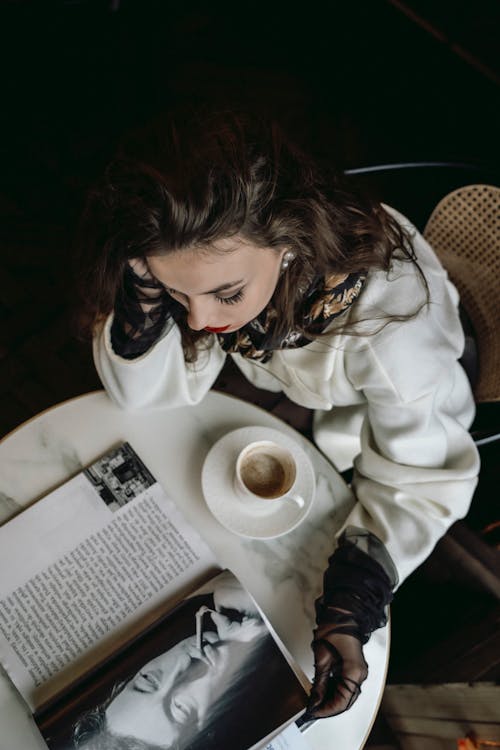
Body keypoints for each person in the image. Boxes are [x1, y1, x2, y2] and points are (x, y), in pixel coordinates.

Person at [76, 108, 480, 720]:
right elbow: (147, 396)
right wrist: (145, 290)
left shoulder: (392, 340)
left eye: (225, 294)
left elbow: (425, 480)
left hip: (400, 404)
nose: (198, 322)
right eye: (177, 294)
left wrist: (351, 606)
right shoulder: (225, 252)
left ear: (289, 242)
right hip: (297, 387)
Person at [69, 571, 303, 750]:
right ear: (211, 728)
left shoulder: (206, 598)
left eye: (148, 680)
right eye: (181, 708)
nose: (182, 666)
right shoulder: (295, 676)